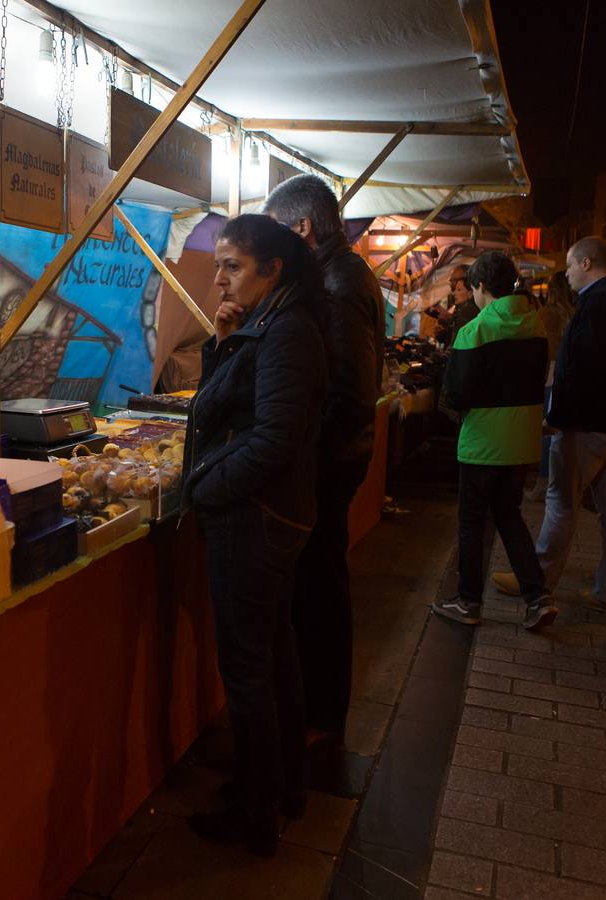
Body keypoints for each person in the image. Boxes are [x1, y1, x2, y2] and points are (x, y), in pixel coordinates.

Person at [181, 214, 327, 857]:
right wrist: (223, 342)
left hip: (255, 518)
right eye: (219, 265)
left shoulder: (290, 330)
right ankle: (284, 787)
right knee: (273, 656)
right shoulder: (268, 323)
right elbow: (225, 402)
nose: (218, 279)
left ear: (275, 269)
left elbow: (273, 439)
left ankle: (255, 813)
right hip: (268, 513)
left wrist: (206, 489)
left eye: (232, 265)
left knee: (250, 669)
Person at [263, 174, 384, 744]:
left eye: (277, 233)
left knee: (320, 586)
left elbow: (352, 392)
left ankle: (322, 715)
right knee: (320, 582)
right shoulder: (340, 272)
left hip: (329, 463)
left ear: (302, 228)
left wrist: (312, 460)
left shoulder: (337, 282)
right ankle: (319, 711)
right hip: (336, 457)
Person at [492, 236, 606, 617]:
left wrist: (559, 417)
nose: (566, 273)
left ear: (586, 263)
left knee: (562, 503)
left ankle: (538, 580)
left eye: (569, 264)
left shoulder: (598, 304)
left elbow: (584, 369)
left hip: (590, 424)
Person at [432, 252, 554, 629]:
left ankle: (468, 602)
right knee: (509, 516)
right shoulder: (536, 326)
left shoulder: (476, 331)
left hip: (482, 441)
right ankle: (538, 597)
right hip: (521, 440)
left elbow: (456, 394)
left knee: (471, 522)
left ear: (481, 286)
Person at [526, 271, 575, 502]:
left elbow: (541, 348)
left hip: (550, 376)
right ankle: (561, 482)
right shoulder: (576, 313)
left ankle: (545, 484)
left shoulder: (546, 314)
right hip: (571, 377)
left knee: (548, 432)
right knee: (563, 434)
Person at [436, 264, 477, 346]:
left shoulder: (468, 311)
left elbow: (457, 345)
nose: (451, 283)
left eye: (454, 280)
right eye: (451, 281)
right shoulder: (460, 307)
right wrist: (443, 333)